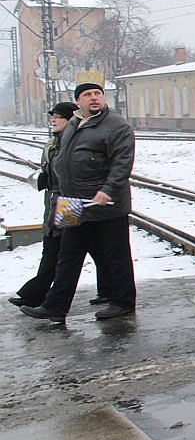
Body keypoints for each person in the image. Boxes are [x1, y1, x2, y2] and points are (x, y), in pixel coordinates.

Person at [22, 79, 137, 323]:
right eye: (87, 94)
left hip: (104, 203)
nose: (94, 97)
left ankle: (123, 302)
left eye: (98, 93)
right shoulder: (73, 124)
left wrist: (107, 190)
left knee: (116, 254)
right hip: (71, 202)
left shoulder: (116, 126)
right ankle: (55, 306)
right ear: (78, 101)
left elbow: (122, 163)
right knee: (67, 255)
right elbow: (63, 159)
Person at [9, 102, 110, 309]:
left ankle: (38, 297)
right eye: (52, 116)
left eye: (59, 117)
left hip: (69, 203)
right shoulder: (53, 143)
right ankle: (108, 290)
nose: (53, 120)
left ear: (71, 120)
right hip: (55, 202)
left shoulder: (71, 142)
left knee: (62, 248)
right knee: (67, 247)